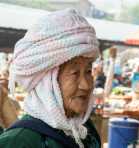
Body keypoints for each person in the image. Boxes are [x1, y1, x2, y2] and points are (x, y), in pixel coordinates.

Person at [0, 9, 101, 148]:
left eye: (88, 71)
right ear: (46, 82)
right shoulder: (18, 142)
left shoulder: (85, 129)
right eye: (75, 73)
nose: (86, 85)